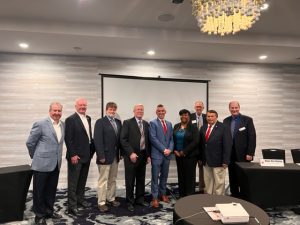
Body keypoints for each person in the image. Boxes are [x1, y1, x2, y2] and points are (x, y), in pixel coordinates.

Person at [26, 102, 64, 225]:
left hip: (55, 164)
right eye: (55, 110)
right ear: (50, 111)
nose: (57, 113)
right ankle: (39, 215)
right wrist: (35, 156)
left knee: (51, 190)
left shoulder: (62, 125)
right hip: (41, 164)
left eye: (59, 111)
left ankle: (49, 211)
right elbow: (30, 143)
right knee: (39, 191)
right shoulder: (41, 124)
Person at [65, 98, 94, 216]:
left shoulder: (88, 118)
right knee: (73, 182)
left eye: (84, 105)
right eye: (80, 105)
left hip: (86, 155)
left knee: (82, 181)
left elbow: (88, 137)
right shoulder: (70, 119)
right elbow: (68, 138)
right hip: (75, 156)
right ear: (76, 106)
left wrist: (91, 152)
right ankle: (72, 206)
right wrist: (72, 154)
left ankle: (80, 200)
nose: (83, 107)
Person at [120, 104, 150, 212]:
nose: (140, 111)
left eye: (142, 109)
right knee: (130, 180)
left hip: (143, 155)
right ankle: (129, 202)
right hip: (131, 156)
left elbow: (147, 141)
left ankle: (140, 199)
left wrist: (148, 155)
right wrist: (131, 153)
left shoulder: (146, 124)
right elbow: (123, 140)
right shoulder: (127, 123)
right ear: (134, 111)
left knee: (141, 179)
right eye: (138, 109)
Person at [223, 101, 256, 197]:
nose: (234, 109)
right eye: (232, 108)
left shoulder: (247, 120)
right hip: (230, 153)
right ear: (229, 109)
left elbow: (252, 137)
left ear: (239, 108)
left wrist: (250, 153)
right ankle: (234, 194)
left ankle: (244, 195)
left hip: (244, 154)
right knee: (232, 175)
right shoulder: (226, 120)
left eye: (236, 107)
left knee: (243, 175)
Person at [94, 102, 122, 212]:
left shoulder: (118, 122)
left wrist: (121, 154)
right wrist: (100, 155)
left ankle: (111, 198)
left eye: (114, 109)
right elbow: (97, 140)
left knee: (113, 179)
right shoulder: (100, 122)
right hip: (104, 157)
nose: (112, 111)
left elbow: (120, 140)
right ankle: (101, 202)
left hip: (115, 156)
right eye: (110, 109)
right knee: (103, 180)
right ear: (106, 110)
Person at [199, 110, 232, 195]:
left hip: (219, 161)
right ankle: (209, 199)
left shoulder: (224, 127)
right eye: (208, 116)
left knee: (219, 183)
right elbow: (202, 144)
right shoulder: (203, 127)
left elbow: (227, 145)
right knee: (208, 182)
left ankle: (218, 200)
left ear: (216, 117)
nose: (210, 118)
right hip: (206, 161)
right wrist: (200, 158)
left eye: (212, 116)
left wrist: (226, 161)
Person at [149, 104, 174, 208]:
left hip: (167, 155)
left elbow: (172, 139)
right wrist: (164, 149)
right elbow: (153, 138)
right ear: (156, 112)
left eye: (163, 111)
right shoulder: (152, 123)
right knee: (155, 177)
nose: (161, 112)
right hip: (157, 155)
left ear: (165, 112)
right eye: (159, 111)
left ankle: (162, 194)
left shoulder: (169, 124)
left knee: (164, 176)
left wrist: (170, 149)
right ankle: (155, 197)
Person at [173, 109, 199, 198]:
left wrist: (184, 152)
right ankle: (182, 195)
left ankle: (189, 196)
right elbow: (173, 139)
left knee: (190, 177)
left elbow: (196, 142)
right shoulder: (176, 126)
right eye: (182, 115)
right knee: (181, 176)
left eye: (186, 115)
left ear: (189, 116)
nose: (184, 116)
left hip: (190, 156)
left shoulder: (194, 127)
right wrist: (175, 150)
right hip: (178, 156)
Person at [190, 100, 207, 193]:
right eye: (197, 107)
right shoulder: (190, 117)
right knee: (191, 170)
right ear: (194, 108)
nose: (198, 108)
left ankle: (202, 189)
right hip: (192, 148)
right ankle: (191, 188)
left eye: (200, 107)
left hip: (203, 148)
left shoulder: (207, 117)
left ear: (203, 108)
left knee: (202, 170)